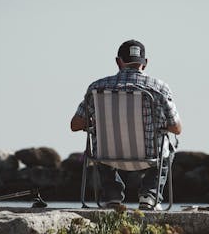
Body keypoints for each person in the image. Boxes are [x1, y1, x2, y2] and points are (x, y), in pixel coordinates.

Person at [70, 39, 182, 210]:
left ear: (118, 61)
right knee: (170, 146)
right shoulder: (160, 88)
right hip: (149, 156)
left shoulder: (97, 88)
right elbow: (177, 128)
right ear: (145, 64)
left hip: (107, 157)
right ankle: (149, 195)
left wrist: (96, 122)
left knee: (98, 141)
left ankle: (112, 196)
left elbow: (75, 125)